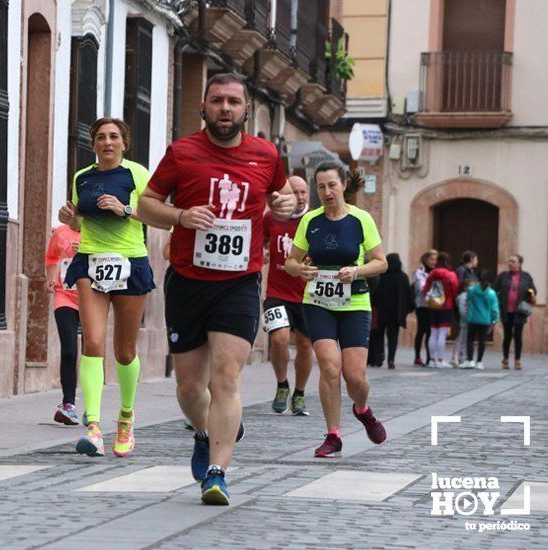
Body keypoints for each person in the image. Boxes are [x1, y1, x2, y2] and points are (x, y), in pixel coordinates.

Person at [138, 73, 296, 505]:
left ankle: (217, 473)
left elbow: (284, 199)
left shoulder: (265, 154)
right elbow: (145, 205)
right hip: (188, 281)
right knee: (191, 389)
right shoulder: (182, 152)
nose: (225, 108)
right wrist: (181, 216)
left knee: (227, 378)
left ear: (246, 109)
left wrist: (286, 204)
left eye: (233, 101)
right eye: (217, 101)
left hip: (240, 283)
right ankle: (205, 433)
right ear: (203, 108)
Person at [58, 116, 162, 458]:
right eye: (100, 137)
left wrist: (125, 207)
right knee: (93, 343)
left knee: (124, 351)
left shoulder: (137, 174)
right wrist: (69, 217)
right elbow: (79, 220)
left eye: (114, 137)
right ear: (94, 143)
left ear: (124, 143)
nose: (107, 142)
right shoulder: (81, 177)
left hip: (130, 262)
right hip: (92, 260)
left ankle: (126, 419)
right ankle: (93, 427)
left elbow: (156, 215)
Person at [284, 161, 388, 459]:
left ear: (343, 184)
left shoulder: (361, 219)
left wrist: (356, 271)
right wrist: (299, 271)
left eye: (331, 185)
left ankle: (363, 410)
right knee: (330, 367)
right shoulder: (310, 221)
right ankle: (333, 435)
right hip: (318, 302)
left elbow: (381, 262)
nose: (327, 192)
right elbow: (292, 261)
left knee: (355, 378)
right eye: (321, 187)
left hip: (355, 303)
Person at [261, 175, 313, 415]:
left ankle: (299, 394)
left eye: (303, 192)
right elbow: (259, 244)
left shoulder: (315, 221)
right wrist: (261, 253)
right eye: (295, 192)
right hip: (276, 291)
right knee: (279, 338)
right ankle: (282, 384)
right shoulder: (271, 218)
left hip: (307, 295)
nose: (300, 198)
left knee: (304, 345)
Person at [45, 224, 82, 425]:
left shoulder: (98, 228)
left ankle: (93, 407)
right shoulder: (60, 232)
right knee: (69, 350)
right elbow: (51, 257)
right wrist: (50, 277)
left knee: (92, 352)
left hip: (92, 296)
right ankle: (69, 405)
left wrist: (85, 252)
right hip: (64, 294)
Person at [370, 253, 415, 369]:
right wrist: (410, 308)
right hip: (396, 313)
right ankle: (391, 360)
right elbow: (408, 294)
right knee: (393, 337)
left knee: (379, 335)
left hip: (382, 311)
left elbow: (375, 294)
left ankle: (379, 357)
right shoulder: (403, 277)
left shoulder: (382, 276)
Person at [493, 254, 538, 369]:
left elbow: (533, 290)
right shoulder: (503, 276)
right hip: (506, 310)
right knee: (507, 335)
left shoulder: (526, 277)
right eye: (509, 261)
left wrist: (530, 297)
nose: (510, 263)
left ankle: (517, 360)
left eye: (513, 261)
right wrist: (498, 302)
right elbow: (494, 290)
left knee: (518, 335)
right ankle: (505, 359)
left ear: (519, 263)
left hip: (520, 312)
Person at [423, 252, 459, 368]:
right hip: (446, 306)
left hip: (433, 306)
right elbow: (455, 290)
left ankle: (432, 360)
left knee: (433, 333)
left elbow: (425, 289)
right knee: (442, 334)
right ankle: (441, 360)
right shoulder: (450, 275)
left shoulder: (432, 274)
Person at [463, 270, 499, 370]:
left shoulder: (471, 290)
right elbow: (494, 309)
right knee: (482, 341)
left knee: (470, 340)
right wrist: (493, 322)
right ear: (489, 282)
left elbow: (468, 301)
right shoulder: (491, 294)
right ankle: (479, 362)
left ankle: (470, 360)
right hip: (485, 320)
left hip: (473, 319)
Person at [412, 249, 437, 366]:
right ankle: (417, 356)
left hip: (434, 305)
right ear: (426, 259)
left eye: (435, 259)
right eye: (431, 259)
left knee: (430, 332)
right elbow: (422, 288)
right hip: (422, 305)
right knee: (421, 330)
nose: (433, 262)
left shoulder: (437, 272)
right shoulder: (419, 272)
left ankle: (429, 357)